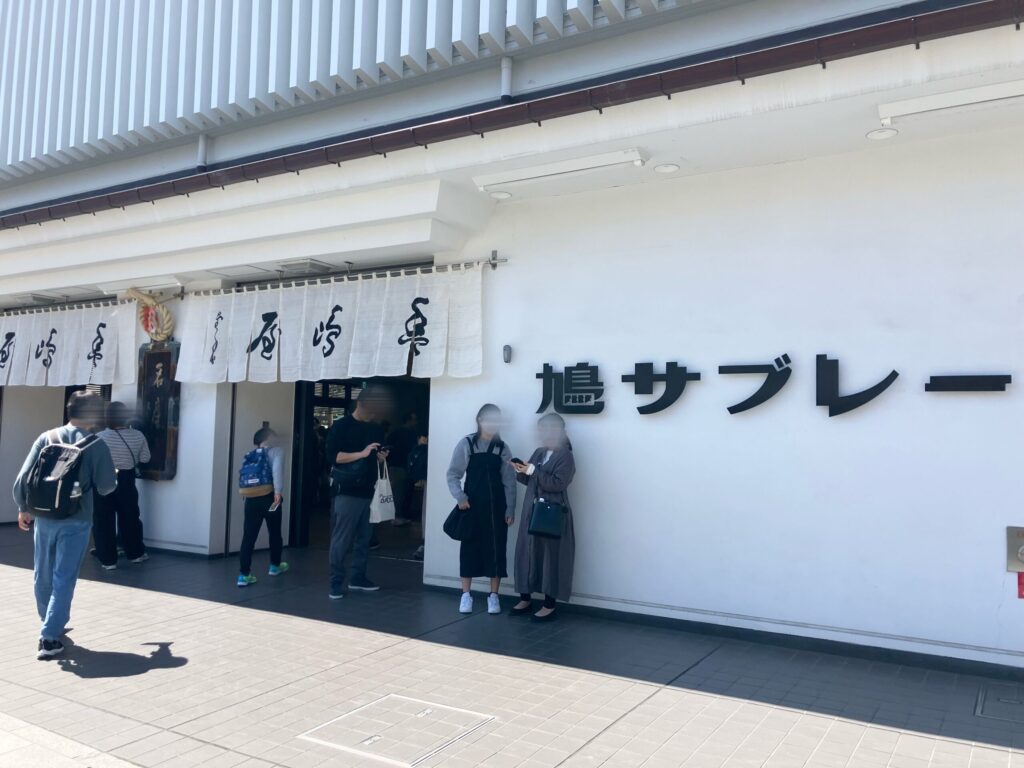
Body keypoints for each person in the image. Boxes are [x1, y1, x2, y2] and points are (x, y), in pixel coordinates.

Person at [14, 391, 117, 660]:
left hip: (44, 517)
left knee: (43, 573)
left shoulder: (46, 438)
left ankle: (49, 621)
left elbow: (23, 478)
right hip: (77, 519)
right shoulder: (96, 445)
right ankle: (49, 638)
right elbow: (107, 487)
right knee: (64, 577)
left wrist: (23, 508)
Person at [446, 404, 517, 615]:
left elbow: (509, 481)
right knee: (469, 550)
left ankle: (493, 596)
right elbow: (453, 474)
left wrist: (510, 508)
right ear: (479, 420)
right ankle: (465, 595)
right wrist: (460, 498)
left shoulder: (502, 448)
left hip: (497, 509)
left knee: (496, 551)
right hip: (471, 507)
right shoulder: (467, 443)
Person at [510, 413, 577, 622]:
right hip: (531, 511)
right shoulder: (539, 452)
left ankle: (549, 604)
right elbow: (530, 480)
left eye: (544, 430)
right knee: (526, 553)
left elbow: (558, 484)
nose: (541, 434)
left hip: (551, 513)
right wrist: (521, 470)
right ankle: (525, 598)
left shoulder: (565, 456)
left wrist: (533, 471)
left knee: (550, 556)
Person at [325, 387, 389, 598]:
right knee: (342, 538)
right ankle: (335, 582)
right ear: (360, 404)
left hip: (370, 490)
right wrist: (361, 454)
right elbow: (333, 456)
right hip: (347, 490)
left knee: (365, 538)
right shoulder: (341, 426)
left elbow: (378, 456)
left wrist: (381, 457)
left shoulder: (376, 429)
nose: (374, 414)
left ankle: (358, 578)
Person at [94, 401, 152, 570]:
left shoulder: (100, 437)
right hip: (127, 479)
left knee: (103, 520)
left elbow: (93, 461)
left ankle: (108, 560)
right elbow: (145, 458)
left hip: (104, 479)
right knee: (130, 517)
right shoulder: (138, 436)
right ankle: (135, 554)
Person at [237, 427, 288, 586]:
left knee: (248, 536)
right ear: (269, 438)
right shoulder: (277, 451)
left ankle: (244, 575)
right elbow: (277, 470)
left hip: (251, 499)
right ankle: (275, 566)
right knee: (274, 532)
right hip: (270, 498)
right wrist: (278, 492)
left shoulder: (250, 454)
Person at [387, 412, 419, 528]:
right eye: (414, 420)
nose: (416, 422)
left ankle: (402, 515)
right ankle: (397, 516)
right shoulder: (407, 434)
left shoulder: (397, 433)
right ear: (409, 420)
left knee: (404, 491)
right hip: (399, 466)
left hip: (401, 466)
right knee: (399, 492)